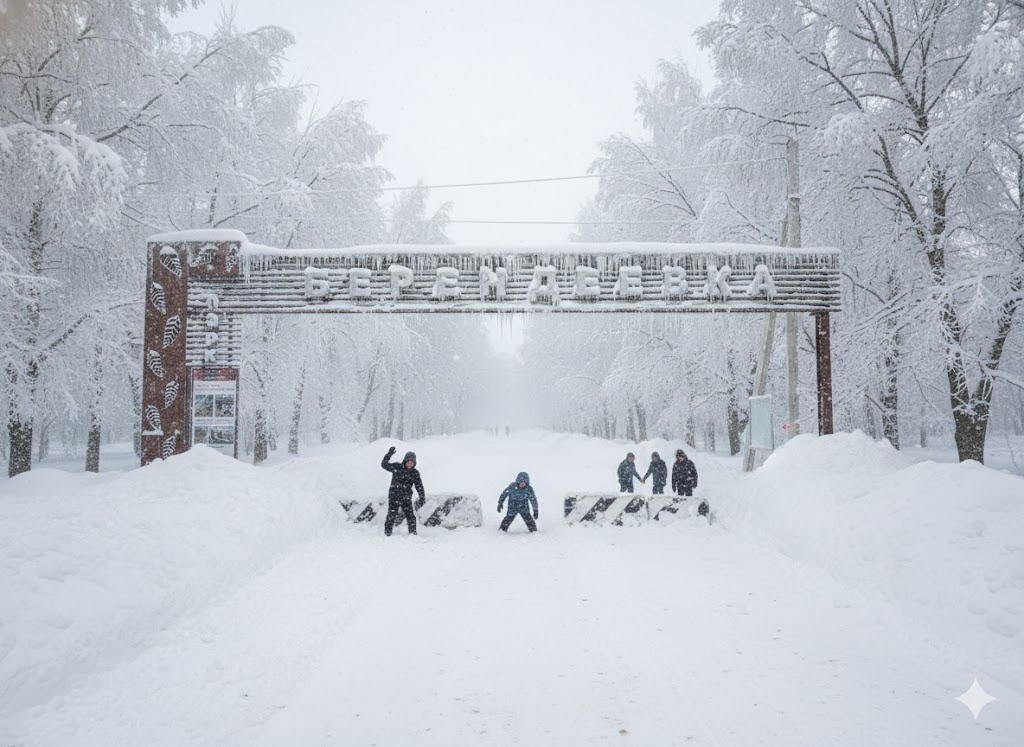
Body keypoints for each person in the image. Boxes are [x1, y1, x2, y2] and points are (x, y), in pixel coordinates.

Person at [381, 446, 425, 536]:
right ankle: (387, 532)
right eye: (408, 462)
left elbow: (419, 486)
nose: (409, 464)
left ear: (414, 463)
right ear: (405, 461)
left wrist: (422, 497)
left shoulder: (415, 473)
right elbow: (384, 464)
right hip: (394, 496)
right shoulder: (397, 467)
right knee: (391, 515)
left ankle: (413, 533)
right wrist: (388, 455)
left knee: (411, 516)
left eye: (412, 462)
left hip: (406, 497)